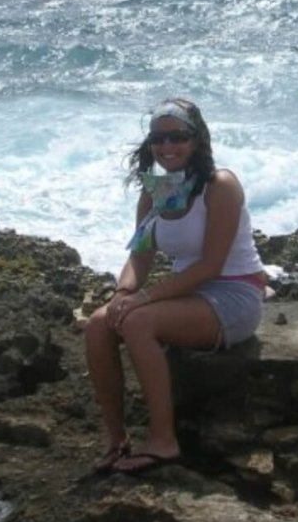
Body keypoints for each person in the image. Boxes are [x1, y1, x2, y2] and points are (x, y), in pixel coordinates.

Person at [84, 97, 267, 475]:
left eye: (177, 137)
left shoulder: (219, 185)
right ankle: (116, 439)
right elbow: (139, 258)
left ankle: (163, 441)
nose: (167, 146)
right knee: (100, 323)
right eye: (158, 139)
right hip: (189, 294)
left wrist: (145, 298)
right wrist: (122, 294)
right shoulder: (155, 192)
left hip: (234, 294)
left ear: (196, 139)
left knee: (138, 322)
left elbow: (212, 265)